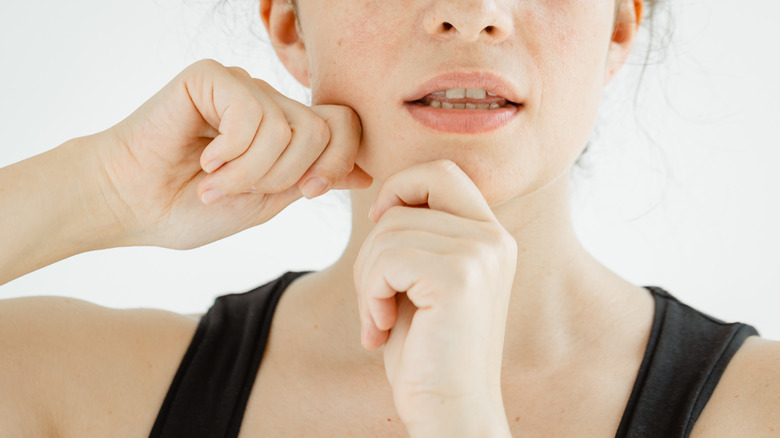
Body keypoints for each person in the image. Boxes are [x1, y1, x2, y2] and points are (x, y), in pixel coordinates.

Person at [0, 0, 777, 436]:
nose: (472, 15)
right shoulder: (74, 388)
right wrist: (99, 189)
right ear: (289, 25)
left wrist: (461, 422)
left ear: (619, 25)